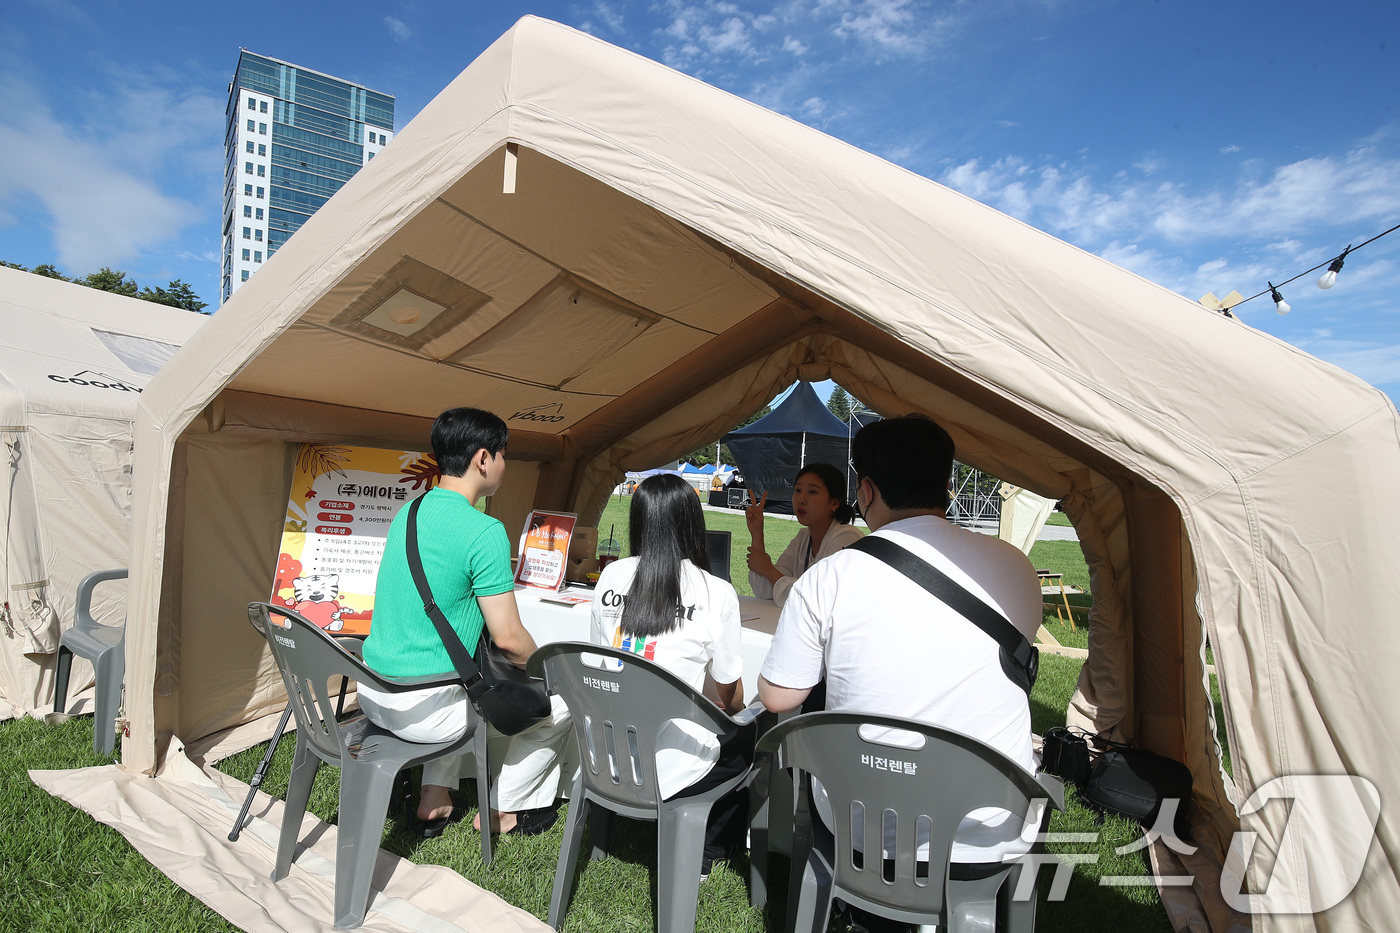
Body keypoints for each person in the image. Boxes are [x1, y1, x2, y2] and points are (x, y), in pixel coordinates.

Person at [757, 414, 1043, 867]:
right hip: (992, 825)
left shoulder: (830, 575)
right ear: (946, 486)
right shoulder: (1015, 567)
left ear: (866, 492)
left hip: (865, 821)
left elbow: (777, 696)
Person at [357, 407, 572, 838]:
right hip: (423, 710)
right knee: (560, 705)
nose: (505, 466)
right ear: (483, 459)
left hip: (374, 692)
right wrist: (554, 671)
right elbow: (509, 640)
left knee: (457, 670)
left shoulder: (409, 513)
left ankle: (434, 798)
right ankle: (504, 807)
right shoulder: (484, 531)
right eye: (504, 455)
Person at [589, 473, 751, 877]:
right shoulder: (716, 593)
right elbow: (730, 695)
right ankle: (706, 851)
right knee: (748, 736)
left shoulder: (611, 576)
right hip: (674, 763)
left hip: (605, 749)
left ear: (639, 521)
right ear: (693, 523)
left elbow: (596, 658)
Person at [745, 462, 864, 607]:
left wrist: (767, 569)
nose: (801, 499)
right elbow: (765, 591)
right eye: (798, 490)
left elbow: (816, 601)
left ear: (834, 503)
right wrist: (757, 533)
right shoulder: (804, 537)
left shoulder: (847, 538)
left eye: (812, 492)